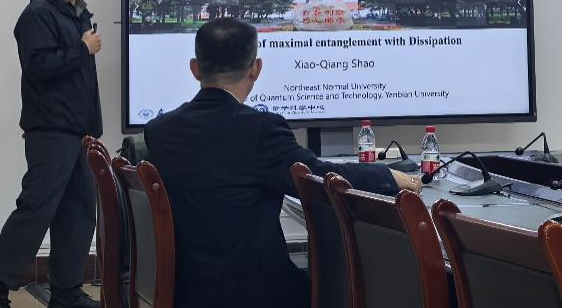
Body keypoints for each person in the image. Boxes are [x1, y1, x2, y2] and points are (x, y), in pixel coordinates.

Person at [144, 18, 422, 308]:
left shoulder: (159, 131)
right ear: (256, 68)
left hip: (184, 292)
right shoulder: (261, 130)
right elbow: (319, 176)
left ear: (195, 68)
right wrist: (389, 177)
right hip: (253, 294)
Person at [0, 0, 103, 308]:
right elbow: (38, 67)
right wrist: (82, 49)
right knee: (36, 210)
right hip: (51, 130)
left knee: (78, 213)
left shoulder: (78, 14)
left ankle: (67, 293)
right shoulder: (38, 14)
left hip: (79, 132)